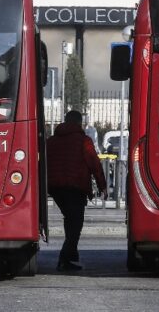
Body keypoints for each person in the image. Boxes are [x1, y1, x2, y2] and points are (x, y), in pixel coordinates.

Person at [46, 110, 107, 271]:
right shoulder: (83, 141)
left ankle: (71, 255)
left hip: (55, 188)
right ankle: (65, 258)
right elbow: (95, 164)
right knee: (76, 223)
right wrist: (103, 186)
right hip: (75, 187)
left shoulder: (51, 141)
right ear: (79, 123)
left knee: (70, 218)